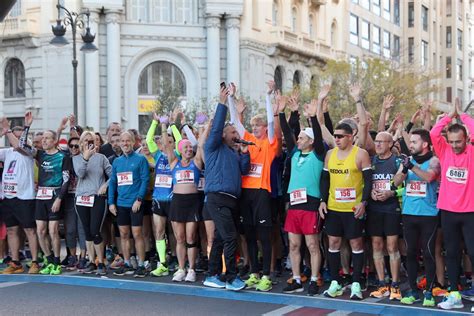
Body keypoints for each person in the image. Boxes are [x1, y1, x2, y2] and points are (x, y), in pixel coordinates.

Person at [228, 81, 282, 292]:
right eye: (253, 126)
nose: (254, 128)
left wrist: (268, 96)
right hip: (246, 193)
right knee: (249, 234)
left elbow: (270, 122)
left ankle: (266, 276)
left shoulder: (269, 143)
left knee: (264, 235)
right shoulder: (248, 140)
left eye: (257, 126)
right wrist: (231, 98)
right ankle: (253, 272)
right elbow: (235, 122)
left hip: (262, 192)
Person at [202, 85, 250, 291]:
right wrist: (222, 103)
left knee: (221, 238)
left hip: (231, 199)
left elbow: (244, 170)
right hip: (217, 197)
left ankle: (212, 275)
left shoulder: (233, 152)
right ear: (223, 135)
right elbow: (217, 127)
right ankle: (230, 277)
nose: (236, 134)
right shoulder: (212, 146)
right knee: (230, 237)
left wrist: (245, 152)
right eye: (232, 131)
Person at [280, 90, 327, 296]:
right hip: (294, 204)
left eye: (301, 138)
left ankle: (315, 279)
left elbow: (316, 130)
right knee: (294, 244)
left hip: (311, 203)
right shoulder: (295, 152)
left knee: (312, 244)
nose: (297, 140)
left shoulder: (318, 153)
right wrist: (284, 113)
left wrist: (313, 115)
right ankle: (297, 278)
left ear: (310, 140)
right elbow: (287, 132)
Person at [319, 121, 372, 300]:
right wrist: (322, 201)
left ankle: (356, 283)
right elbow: (325, 179)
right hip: (334, 207)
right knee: (333, 243)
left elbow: (368, 180)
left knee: (356, 244)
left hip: (353, 208)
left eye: (340, 136)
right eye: (335, 136)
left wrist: (363, 202)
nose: (337, 139)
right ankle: (335, 282)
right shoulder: (329, 154)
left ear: (350, 137)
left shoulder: (361, 154)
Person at [430, 99, 474, 310]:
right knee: (453, 253)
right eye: (452, 141)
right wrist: (450, 115)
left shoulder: (472, 153)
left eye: (459, 141)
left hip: (470, 212)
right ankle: (454, 294)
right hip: (448, 211)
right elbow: (434, 133)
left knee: (473, 252)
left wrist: (462, 116)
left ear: (466, 139)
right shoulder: (444, 151)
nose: (455, 145)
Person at [17, 112, 72, 275]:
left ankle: (57, 262)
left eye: (47, 138)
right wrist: (27, 126)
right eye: (43, 139)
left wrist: (59, 199)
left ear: (54, 141)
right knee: (40, 230)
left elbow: (66, 180)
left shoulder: (63, 156)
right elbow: (22, 146)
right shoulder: (40, 155)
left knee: (53, 230)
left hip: (55, 195)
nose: (44, 141)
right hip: (41, 196)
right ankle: (48, 259)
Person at [390, 129, 440, 307]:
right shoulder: (408, 161)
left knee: (428, 252)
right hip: (409, 213)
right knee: (410, 252)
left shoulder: (434, 160)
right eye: (410, 142)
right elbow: (395, 183)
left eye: (414, 142)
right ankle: (412, 291)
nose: (410, 145)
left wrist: (411, 167)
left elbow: (428, 177)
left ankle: (429, 292)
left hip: (428, 214)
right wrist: (403, 169)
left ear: (425, 144)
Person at [161, 120, 205, 283]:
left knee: (191, 237)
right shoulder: (174, 163)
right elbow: (166, 145)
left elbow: (200, 144)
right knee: (179, 237)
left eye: (189, 147)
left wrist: (202, 126)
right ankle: (181, 268)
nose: (188, 149)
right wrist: (164, 125)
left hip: (192, 202)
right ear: (180, 150)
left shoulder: (196, 162)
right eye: (184, 147)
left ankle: (191, 269)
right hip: (177, 202)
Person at [0, 114, 40, 274]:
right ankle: (15, 262)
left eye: (20, 137)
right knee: (11, 230)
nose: (15, 140)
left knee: (29, 230)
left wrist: (7, 129)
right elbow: (14, 145)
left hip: (25, 196)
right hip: (9, 196)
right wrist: (2, 132)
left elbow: (19, 145)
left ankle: (35, 261)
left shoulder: (30, 151)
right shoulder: (7, 152)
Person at [367, 131, 403, 301]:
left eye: (382, 141)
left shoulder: (397, 161)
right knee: (376, 244)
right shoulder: (371, 160)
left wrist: (391, 192)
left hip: (391, 209)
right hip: (374, 208)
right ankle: (382, 284)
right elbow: (365, 182)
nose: (378, 144)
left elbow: (403, 182)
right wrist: (370, 192)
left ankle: (395, 285)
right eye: (376, 141)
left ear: (390, 144)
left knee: (392, 246)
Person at [108, 131, 150, 278]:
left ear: (133, 142)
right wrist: (111, 202)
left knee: (137, 234)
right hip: (121, 204)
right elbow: (113, 182)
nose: (125, 143)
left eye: (128, 141)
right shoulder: (117, 162)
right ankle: (126, 263)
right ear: (119, 143)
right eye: (122, 141)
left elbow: (145, 180)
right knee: (124, 234)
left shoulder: (140, 160)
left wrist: (139, 199)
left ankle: (140, 264)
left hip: (135, 204)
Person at [73, 131, 111, 275]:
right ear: (81, 143)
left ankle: (100, 262)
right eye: (86, 140)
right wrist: (86, 158)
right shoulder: (76, 159)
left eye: (92, 141)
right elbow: (81, 173)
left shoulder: (101, 158)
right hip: (81, 198)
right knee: (87, 231)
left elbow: (113, 175)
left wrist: (105, 185)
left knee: (96, 230)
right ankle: (91, 261)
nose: (89, 143)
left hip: (97, 198)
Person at [146, 114, 174, 278]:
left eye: (170, 142)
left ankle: (178, 260)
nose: (167, 145)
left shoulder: (176, 155)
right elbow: (149, 139)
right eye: (165, 142)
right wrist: (155, 122)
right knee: (159, 232)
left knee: (176, 234)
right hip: (158, 199)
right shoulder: (157, 156)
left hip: (173, 199)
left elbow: (177, 139)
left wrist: (172, 124)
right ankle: (162, 263)